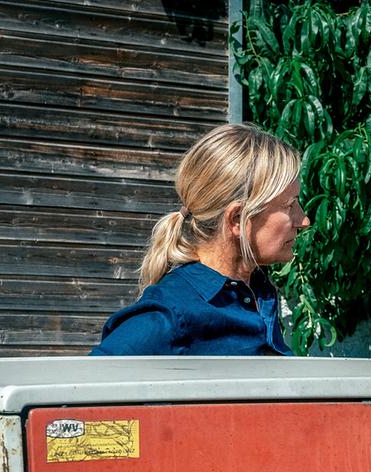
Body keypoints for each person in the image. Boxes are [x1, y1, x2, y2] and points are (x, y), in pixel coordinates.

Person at [91, 123, 308, 356]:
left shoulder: (257, 290)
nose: (304, 220)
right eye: (289, 206)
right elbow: (90, 376)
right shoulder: (171, 314)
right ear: (237, 219)